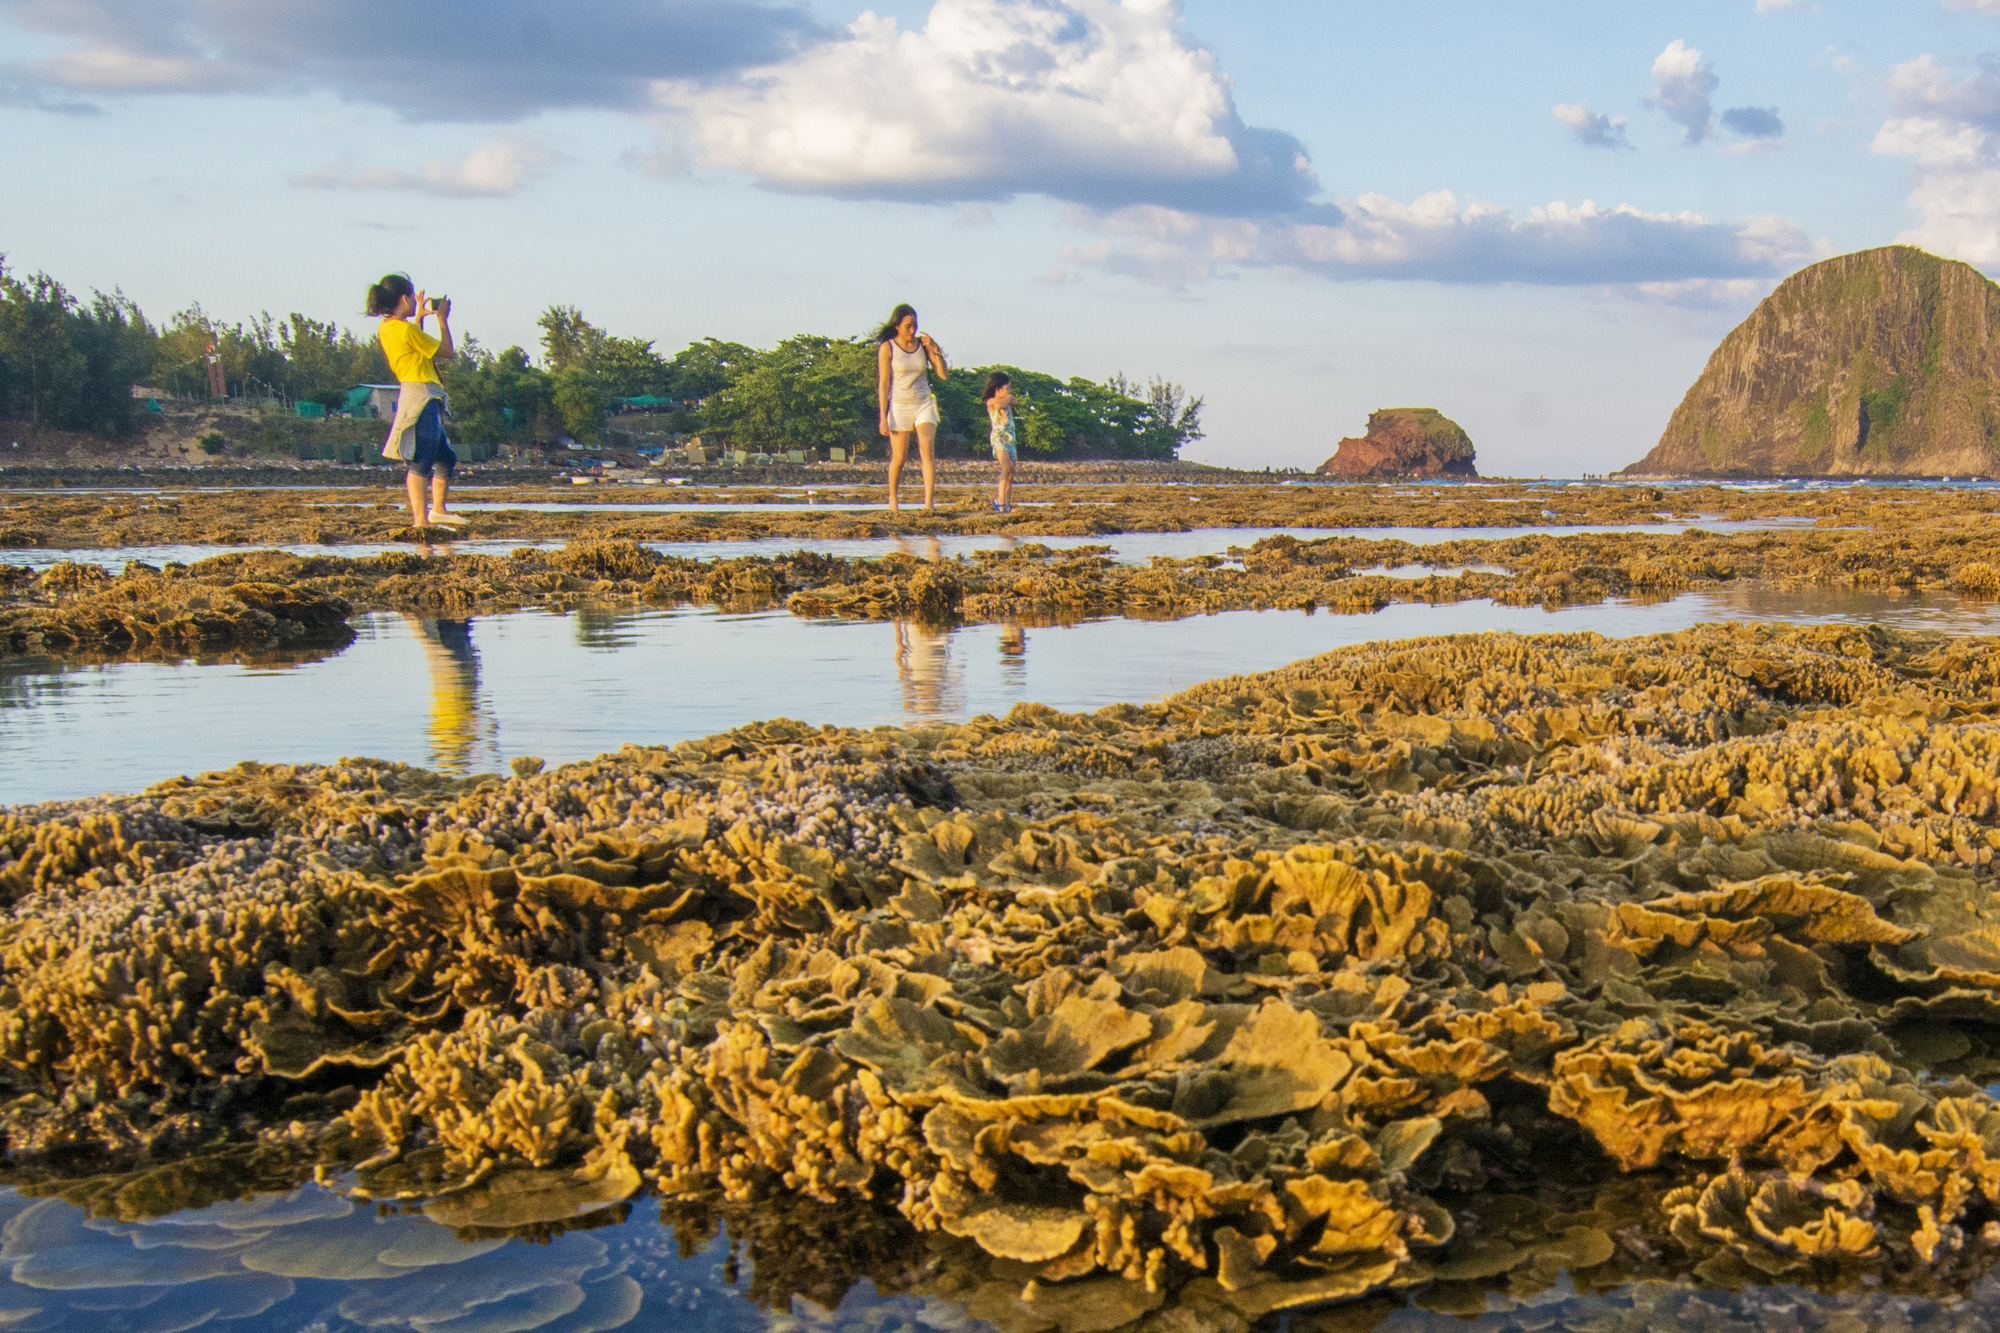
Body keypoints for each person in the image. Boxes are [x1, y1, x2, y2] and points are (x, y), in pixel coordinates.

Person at [366, 273, 464, 528]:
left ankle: (438, 510)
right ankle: (421, 520)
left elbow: (415, 343)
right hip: (421, 394)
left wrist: (420, 316)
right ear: (404, 298)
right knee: (421, 459)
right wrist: (442, 320)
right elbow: (446, 351)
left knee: (445, 457)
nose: (414, 300)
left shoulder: (389, 327)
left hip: (424, 393)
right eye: (411, 297)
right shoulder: (404, 329)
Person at [875, 304, 948, 514]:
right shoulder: (888, 348)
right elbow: (883, 383)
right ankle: (893, 499)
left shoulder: (923, 345)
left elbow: (943, 374)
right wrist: (882, 416)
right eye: (908, 326)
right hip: (899, 405)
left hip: (924, 403)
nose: (912, 330)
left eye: (915, 325)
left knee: (926, 449)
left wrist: (935, 349)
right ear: (897, 326)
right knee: (899, 458)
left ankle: (928, 502)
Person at [982, 371, 1017, 513]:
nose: (1009, 391)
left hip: (1010, 438)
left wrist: (1007, 397)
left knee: (1011, 473)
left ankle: (1007, 504)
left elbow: (1014, 401)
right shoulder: (990, 401)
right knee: (1006, 467)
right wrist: (1007, 398)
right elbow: (999, 405)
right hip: (999, 438)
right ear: (998, 389)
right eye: (1007, 388)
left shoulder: (1008, 399)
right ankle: (1000, 501)